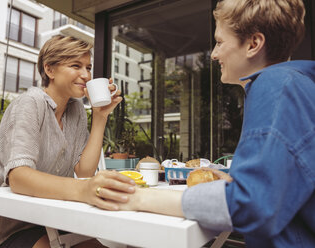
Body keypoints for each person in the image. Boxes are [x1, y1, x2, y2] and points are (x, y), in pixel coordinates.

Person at [118, 0, 315, 247]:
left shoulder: (276, 85)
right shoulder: (296, 86)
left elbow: (251, 204)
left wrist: (139, 198)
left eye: (220, 42)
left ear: (254, 44)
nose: (213, 54)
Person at [0, 35, 136, 248]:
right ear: (50, 70)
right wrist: (83, 191)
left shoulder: (76, 110)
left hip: (53, 220)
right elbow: (18, 177)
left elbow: (84, 171)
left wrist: (100, 116)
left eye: (88, 67)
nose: (86, 75)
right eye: (76, 66)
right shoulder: (30, 103)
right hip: (10, 227)